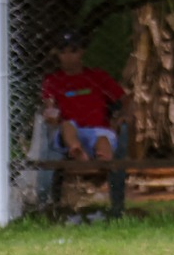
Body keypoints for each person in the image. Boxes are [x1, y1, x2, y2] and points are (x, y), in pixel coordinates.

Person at [41, 32, 125, 160]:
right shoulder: (52, 81)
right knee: (67, 125)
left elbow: (125, 100)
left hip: (99, 130)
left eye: (73, 51)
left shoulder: (98, 77)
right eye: (63, 52)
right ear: (57, 54)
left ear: (82, 51)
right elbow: (49, 106)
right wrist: (51, 116)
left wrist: (122, 116)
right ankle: (76, 150)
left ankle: (103, 164)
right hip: (71, 132)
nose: (68, 56)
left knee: (103, 140)